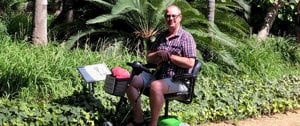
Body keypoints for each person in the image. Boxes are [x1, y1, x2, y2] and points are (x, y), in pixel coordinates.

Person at [126, 5, 197, 126]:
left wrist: (170, 57)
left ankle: (152, 124)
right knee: (130, 81)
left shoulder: (186, 38)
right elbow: (149, 57)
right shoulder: (161, 36)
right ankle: (139, 120)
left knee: (156, 86)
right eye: (168, 16)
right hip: (157, 75)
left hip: (178, 80)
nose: (170, 19)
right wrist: (158, 54)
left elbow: (190, 62)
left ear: (180, 17)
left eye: (173, 16)